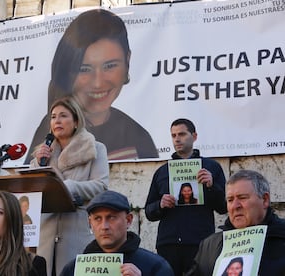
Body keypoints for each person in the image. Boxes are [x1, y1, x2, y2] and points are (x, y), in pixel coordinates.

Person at [25, 8, 157, 163]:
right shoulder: (53, 130)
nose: (98, 82)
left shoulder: (138, 136)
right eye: (84, 69)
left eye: (110, 66)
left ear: (127, 61)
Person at [30, 96, 109, 275]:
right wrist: (37, 163)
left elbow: (101, 186)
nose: (57, 120)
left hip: (76, 229)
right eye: (53, 116)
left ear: (75, 121)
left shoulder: (95, 149)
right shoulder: (43, 154)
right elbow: (32, 189)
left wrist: (69, 187)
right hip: (45, 234)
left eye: (63, 115)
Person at [144, 118, 227, 276]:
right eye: (173, 135)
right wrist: (160, 205)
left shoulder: (211, 167)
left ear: (194, 136)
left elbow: (223, 207)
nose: (177, 139)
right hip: (168, 243)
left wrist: (211, 186)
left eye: (182, 134)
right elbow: (148, 212)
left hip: (200, 243)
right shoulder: (162, 171)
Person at [187, 170, 285, 275]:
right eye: (230, 200)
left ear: (265, 200)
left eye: (242, 198)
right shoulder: (210, 246)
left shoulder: (281, 237)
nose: (235, 206)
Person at [60, 190, 174, 276]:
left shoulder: (156, 266)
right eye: (98, 219)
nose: (104, 226)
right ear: (90, 223)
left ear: (128, 220)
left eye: (111, 218)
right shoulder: (72, 270)